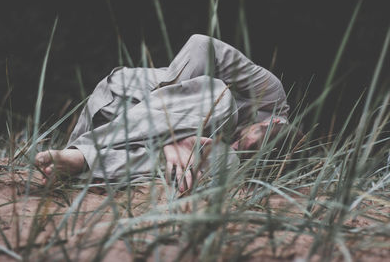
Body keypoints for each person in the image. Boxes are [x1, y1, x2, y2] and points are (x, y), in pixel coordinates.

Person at [35, 34, 294, 192]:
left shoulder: (253, 156)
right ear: (271, 122)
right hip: (123, 102)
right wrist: (173, 130)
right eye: (244, 141)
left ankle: (84, 161)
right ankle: (86, 151)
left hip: (125, 140)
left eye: (247, 151)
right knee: (221, 99)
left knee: (223, 163)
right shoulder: (270, 93)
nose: (237, 144)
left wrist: (186, 146)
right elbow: (202, 45)